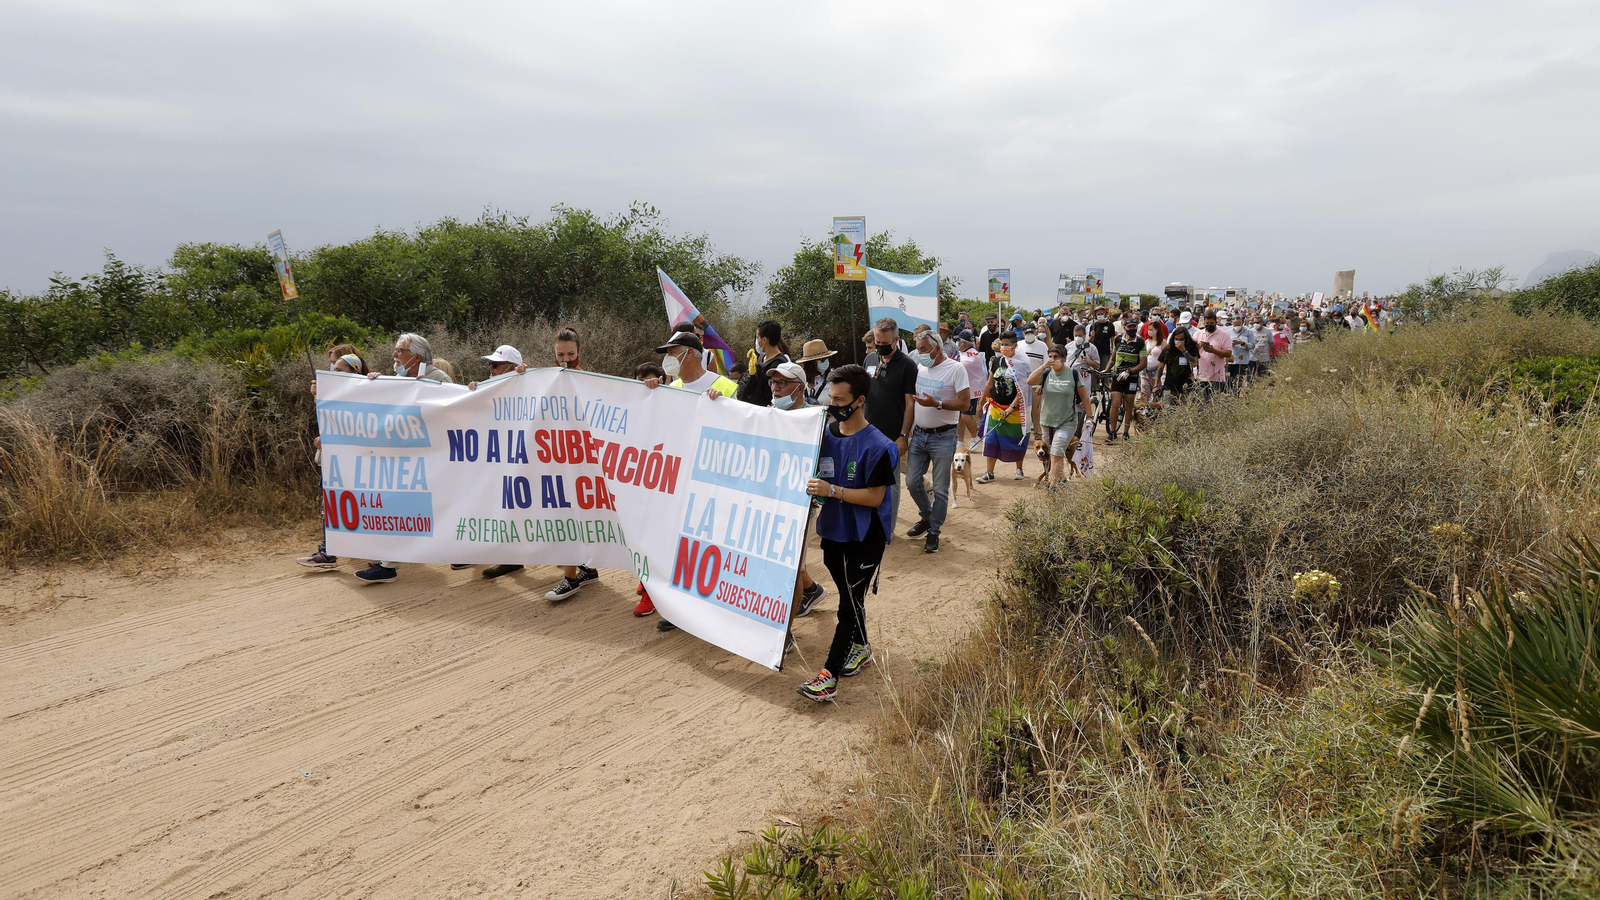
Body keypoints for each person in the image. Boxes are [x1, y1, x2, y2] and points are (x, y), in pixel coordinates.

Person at [797, 364, 897, 702]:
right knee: (849, 599)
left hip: (866, 537)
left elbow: (875, 497)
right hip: (832, 533)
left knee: (848, 605)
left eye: (840, 399)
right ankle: (863, 647)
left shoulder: (879, 446)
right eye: (830, 398)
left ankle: (828, 675)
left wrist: (832, 490)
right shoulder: (823, 436)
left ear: (860, 400)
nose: (833, 404)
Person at [355, 334, 454, 584]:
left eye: (400, 351)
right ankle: (387, 563)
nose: (394, 355)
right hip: (402, 459)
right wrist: (374, 385)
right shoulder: (395, 380)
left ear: (417, 357)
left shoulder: (438, 379)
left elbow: (454, 416)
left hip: (431, 459)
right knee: (397, 506)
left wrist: (424, 395)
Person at [540, 326, 605, 601]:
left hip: (584, 459)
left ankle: (570, 578)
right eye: (559, 354)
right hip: (557, 456)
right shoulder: (547, 379)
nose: (565, 359)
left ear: (580, 352)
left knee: (574, 511)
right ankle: (586, 568)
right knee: (565, 511)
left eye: (570, 353)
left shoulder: (590, 380)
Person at [465, 344, 533, 580]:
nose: (490, 369)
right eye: (490, 364)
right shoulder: (491, 388)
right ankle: (510, 557)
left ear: (512, 368)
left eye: (495, 365)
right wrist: (474, 391)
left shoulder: (526, 384)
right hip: (498, 456)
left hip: (522, 457)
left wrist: (525, 376)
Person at [297, 344, 368, 569]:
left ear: (354, 371)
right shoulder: (333, 394)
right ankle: (328, 551)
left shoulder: (367, 393)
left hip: (359, 462)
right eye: (330, 366)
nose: (331, 372)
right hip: (336, 462)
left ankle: (374, 550)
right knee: (331, 503)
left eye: (337, 368)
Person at [904, 329, 970, 554]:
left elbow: (964, 403)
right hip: (920, 435)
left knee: (941, 489)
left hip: (944, 436)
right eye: (918, 348)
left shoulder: (956, 369)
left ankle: (933, 533)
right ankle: (927, 517)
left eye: (924, 349)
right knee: (912, 482)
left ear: (937, 348)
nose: (919, 353)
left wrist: (938, 404)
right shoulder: (920, 367)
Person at [864, 318, 917, 527]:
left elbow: (910, 404)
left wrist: (903, 436)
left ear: (896, 340)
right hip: (867, 432)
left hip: (892, 436)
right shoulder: (869, 359)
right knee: (867, 478)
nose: (880, 347)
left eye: (885, 343)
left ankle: (888, 527)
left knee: (891, 482)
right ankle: (869, 522)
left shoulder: (907, 366)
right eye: (877, 342)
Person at [1026, 344, 1093, 486]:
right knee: (1055, 454)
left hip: (1066, 421)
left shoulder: (1073, 374)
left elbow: (1084, 396)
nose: (1052, 360)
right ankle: (1061, 480)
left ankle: (1053, 486)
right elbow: (1029, 380)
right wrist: (1043, 366)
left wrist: (1090, 417)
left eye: (1056, 357)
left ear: (1063, 358)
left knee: (1056, 454)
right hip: (1047, 421)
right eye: (1050, 356)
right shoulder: (1046, 374)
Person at [976, 334, 1028, 482]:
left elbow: (1023, 389)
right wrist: (980, 403)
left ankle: (1019, 469)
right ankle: (989, 473)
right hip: (996, 407)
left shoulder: (1022, 364)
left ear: (1014, 346)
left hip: (1016, 410)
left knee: (1016, 439)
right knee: (991, 439)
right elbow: (989, 384)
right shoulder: (997, 361)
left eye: (1007, 344)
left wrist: (1012, 407)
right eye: (1002, 344)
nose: (1003, 347)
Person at [1106, 314, 1146, 442]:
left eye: (1134, 326)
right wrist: (1106, 369)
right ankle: (1112, 431)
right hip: (1117, 376)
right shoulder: (1118, 340)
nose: (1132, 329)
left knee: (1129, 405)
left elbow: (1143, 363)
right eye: (1130, 326)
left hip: (1132, 377)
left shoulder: (1140, 342)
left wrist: (1130, 371)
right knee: (1115, 403)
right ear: (1125, 327)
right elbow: (1112, 358)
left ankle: (1126, 432)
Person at [736, 319, 791, 407]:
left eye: (757, 338)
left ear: (764, 340)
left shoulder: (780, 364)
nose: (757, 341)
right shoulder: (760, 358)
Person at [955, 330, 986, 448]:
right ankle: (960, 441)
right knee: (959, 417)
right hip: (958, 389)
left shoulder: (974, 355)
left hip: (971, 391)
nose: (957, 343)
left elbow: (963, 365)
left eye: (958, 340)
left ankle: (975, 438)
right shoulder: (959, 353)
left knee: (966, 416)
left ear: (963, 343)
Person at [1195, 309, 1232, 402]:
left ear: (1216, 322)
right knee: (1200, 403)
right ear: (1204, 322)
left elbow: (1228, 353)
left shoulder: (1224, 335)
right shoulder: (1198, 334)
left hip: (1216, 376)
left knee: (1214, 403)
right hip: (1200, 375)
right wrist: (1198, 347)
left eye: (1211, 323)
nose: (1209, 325)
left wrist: (1213, 351)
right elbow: (1191, 350)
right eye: (1207, 323)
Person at [794, 338, 837, 402]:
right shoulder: (800, 381)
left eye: (827, 358)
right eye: (822, 359)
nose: (826, 361)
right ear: (810, 363)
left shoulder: (835, 379)